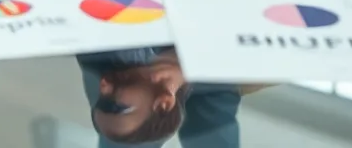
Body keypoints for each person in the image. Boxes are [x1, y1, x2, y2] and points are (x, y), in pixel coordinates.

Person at [77, 47, 242, 147]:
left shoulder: (99, 57)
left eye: (101, 101)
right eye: (114, 106)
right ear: (163, 103)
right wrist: (193, 57)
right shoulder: (217, 85)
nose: (104, 87)